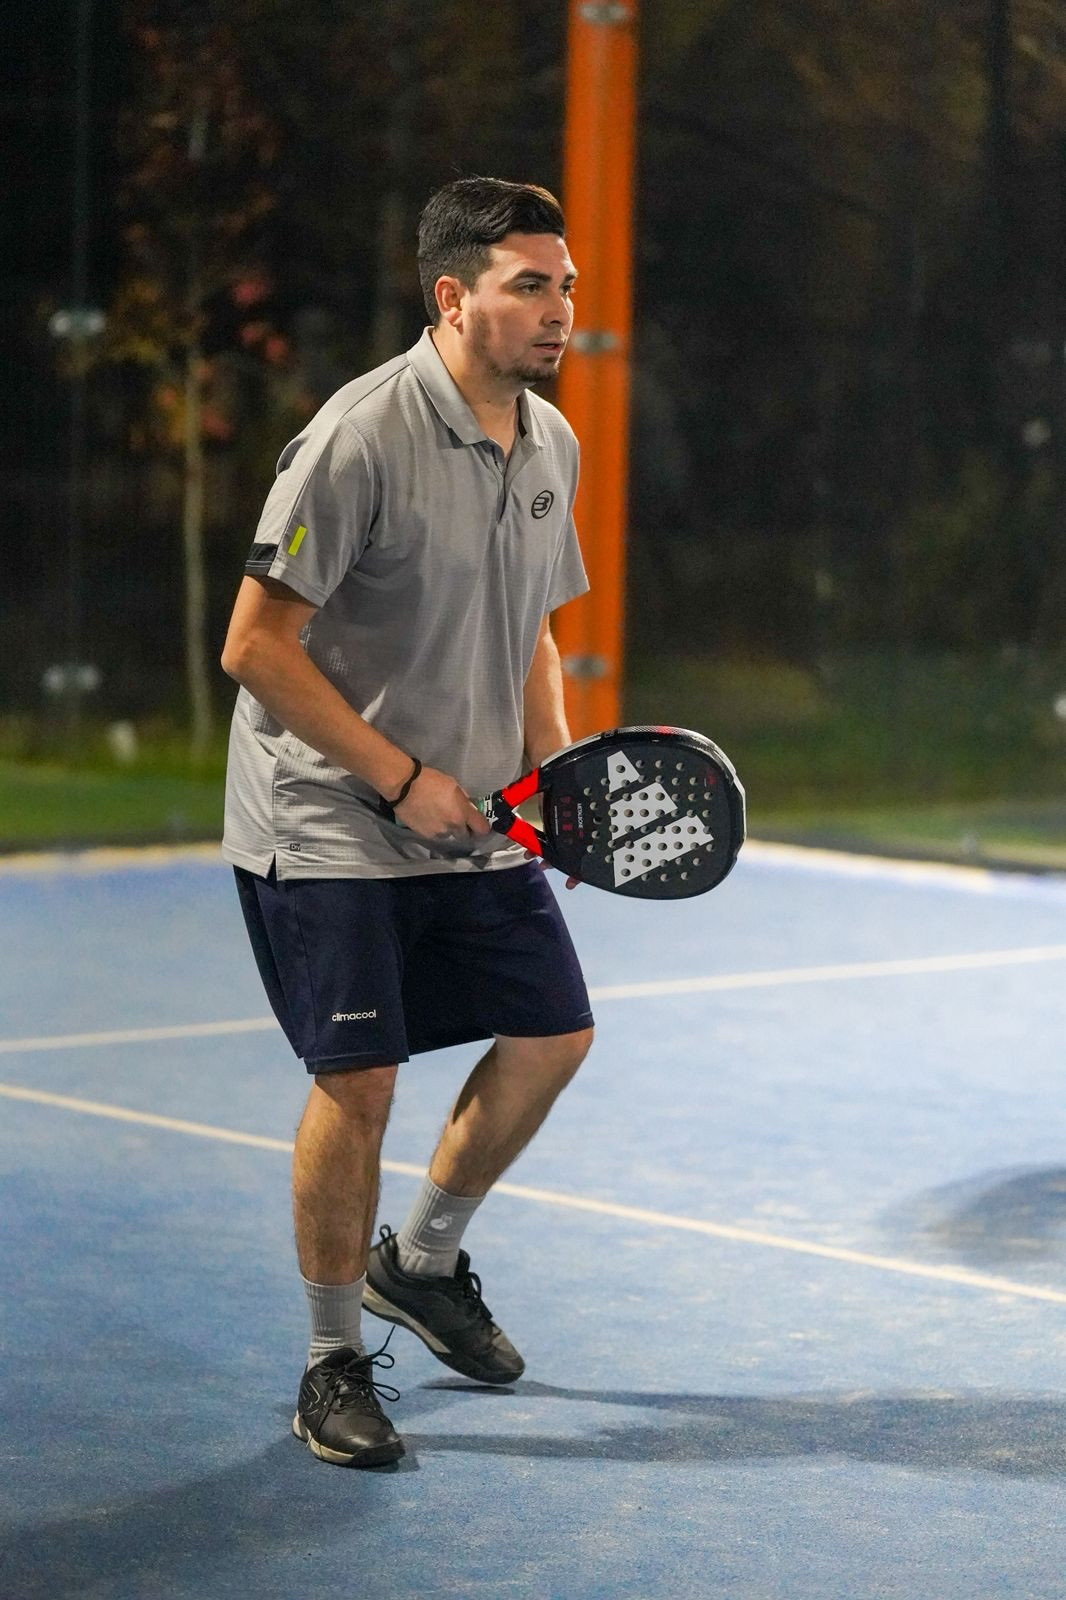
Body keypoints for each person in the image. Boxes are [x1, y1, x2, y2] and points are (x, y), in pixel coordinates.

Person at [220, 177, 595, 1468]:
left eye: (565, 286)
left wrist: (555, 774)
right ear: (452, 298)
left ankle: (420, 1263)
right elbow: (255, 646)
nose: (558, 311)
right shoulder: (356, 438)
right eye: (529, 287)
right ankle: (331, 1361)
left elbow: (533, 629)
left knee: (553, 1035)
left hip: (472, 814)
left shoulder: (551, 442)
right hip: (329, 814)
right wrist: (395, 776)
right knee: (360, 1082)